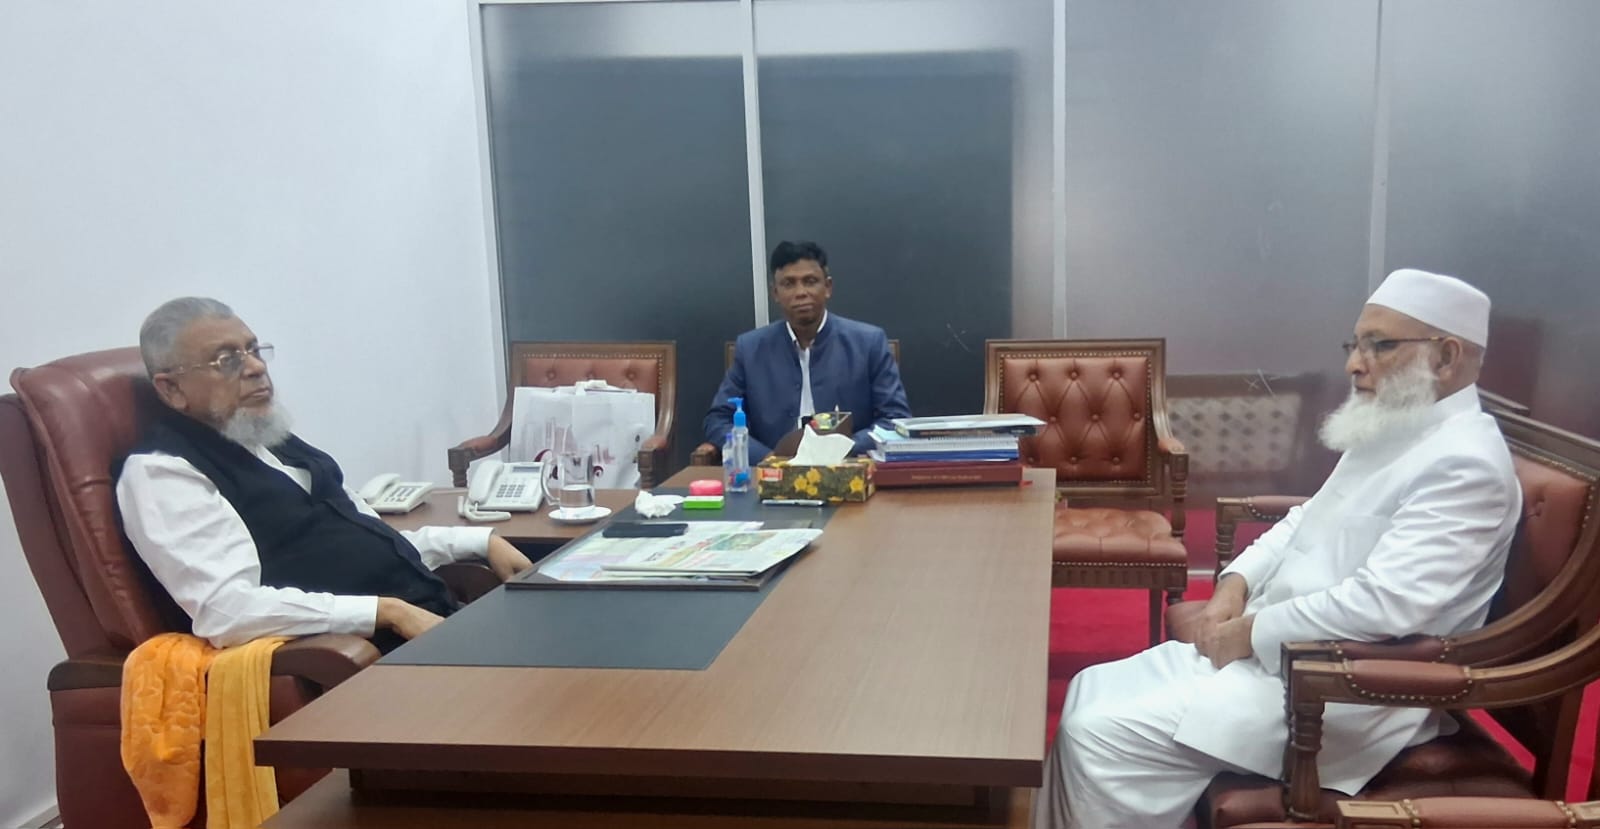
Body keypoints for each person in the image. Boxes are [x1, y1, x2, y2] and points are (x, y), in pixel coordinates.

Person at [1032, 269, 1521, 829]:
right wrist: (1233, 586)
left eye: (1379, 346)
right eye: (1354, 344)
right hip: (1279, 655)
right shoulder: (1400, 427)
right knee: (1089, 688)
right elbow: (1303, 520)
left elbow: (1387, 605)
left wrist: (1250, 632)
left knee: (1097, 735)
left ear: (1446, 356)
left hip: (1337, 688)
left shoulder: (1465, 464)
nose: (1354, 364)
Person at [115, 297, 533, 653]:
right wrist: (386, 611)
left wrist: (478, 540)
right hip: (361, 664)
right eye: (227, 360)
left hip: (430, 627)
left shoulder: (269, 440)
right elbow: (227, 611)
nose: (256, 367)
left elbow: (372, 541)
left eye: (254, 350)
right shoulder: (164, 473)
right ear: (171, 389)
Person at [705, 240, 911, 464]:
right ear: (775, 293)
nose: (801, 292)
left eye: (810, 282)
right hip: (772, 473)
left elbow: (895, 420)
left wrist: (842, 449)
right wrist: (767, 458)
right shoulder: (751, 348)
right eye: (789, 284)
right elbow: (719, 421)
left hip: (846, 469)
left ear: (828, 287)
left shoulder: (868, 343)